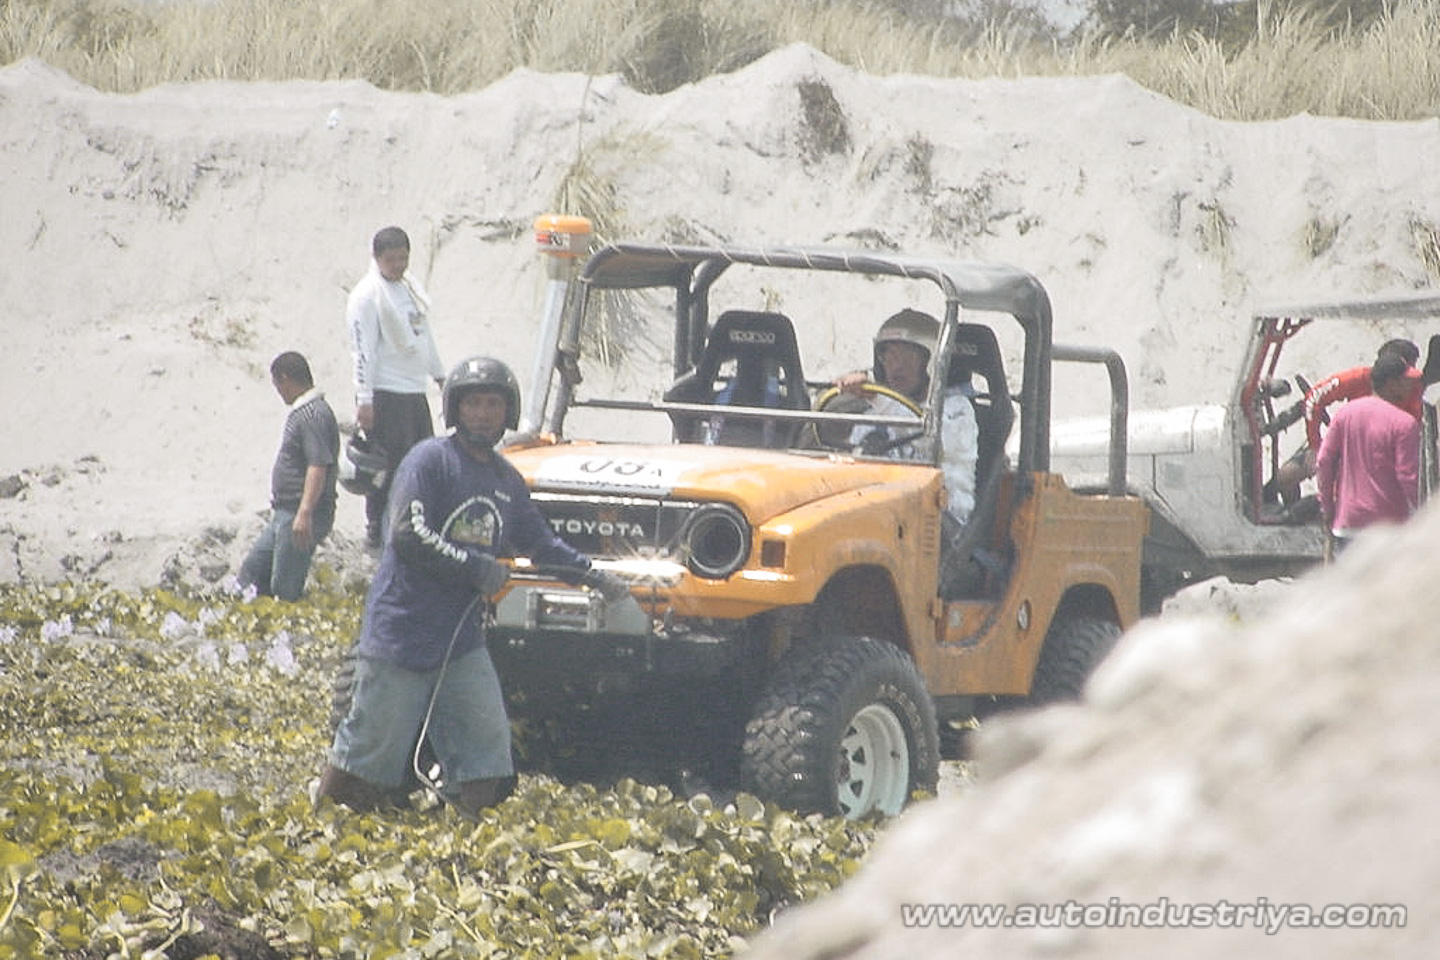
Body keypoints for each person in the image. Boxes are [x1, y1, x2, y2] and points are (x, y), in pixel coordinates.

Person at [317, 356, 628, 819]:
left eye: (493, 404)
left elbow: (541, 544)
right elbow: (407, 533)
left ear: (508, 412)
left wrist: (595, 576)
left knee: (487, 763)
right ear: (455, 410)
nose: (483, 413)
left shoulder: (505, 480)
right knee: (364, 758)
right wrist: (476, 568)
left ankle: (458, 837)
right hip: (402, 632)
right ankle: (318, 818)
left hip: (460, 643)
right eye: (474, 404)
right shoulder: (430, 461)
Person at [346, 226, 447, 548]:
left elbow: (423, 336)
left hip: (414, 391)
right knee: (384, 467)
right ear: (377, 258)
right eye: (391, 260)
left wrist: (440, 376)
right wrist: (365, 399)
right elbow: (363, 351)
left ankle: (413, 523)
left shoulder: (408, 288)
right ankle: (377, 528)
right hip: (385, 393)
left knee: (421, 460)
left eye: (403, 258)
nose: (398, 265)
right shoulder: (366, 296)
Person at [836, 308, 979, 527]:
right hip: (886, 512)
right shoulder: (875, 411)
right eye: (890, 356)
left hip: (943, 520)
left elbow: (933, 442)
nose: (897, 366)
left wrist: (877, 397)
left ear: (931, 362)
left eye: (907, 356)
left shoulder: (958, 409)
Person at [1268, 338, 1421, 509]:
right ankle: (1295, 520)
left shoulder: (1415, 396)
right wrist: (1314, 445)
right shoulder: (1358, 378)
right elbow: (1315, 397)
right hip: (1343, 448)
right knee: (1285, 476)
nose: (1404, 385)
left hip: (1381, 462)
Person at [238, 352, 339, 602]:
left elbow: (318, 466)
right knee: (252, 572)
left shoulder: (312, 415)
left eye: (277, 386)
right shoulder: (304, 412)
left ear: (285, 379)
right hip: (284, 512)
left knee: (285, 586)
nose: (279, 392)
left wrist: (305, 513)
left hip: (299, 512)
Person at [1314, 352, 1422, 553]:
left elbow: (1324, 461)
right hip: (1388, 530)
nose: (1411, 387)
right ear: (1391, 383)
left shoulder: (1345, 414)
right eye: (1405, 381)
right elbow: (1408, 477)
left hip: (1348, 526)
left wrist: (1327, 508)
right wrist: (1424, 516)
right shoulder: (1405, 424)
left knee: (1349, 585)